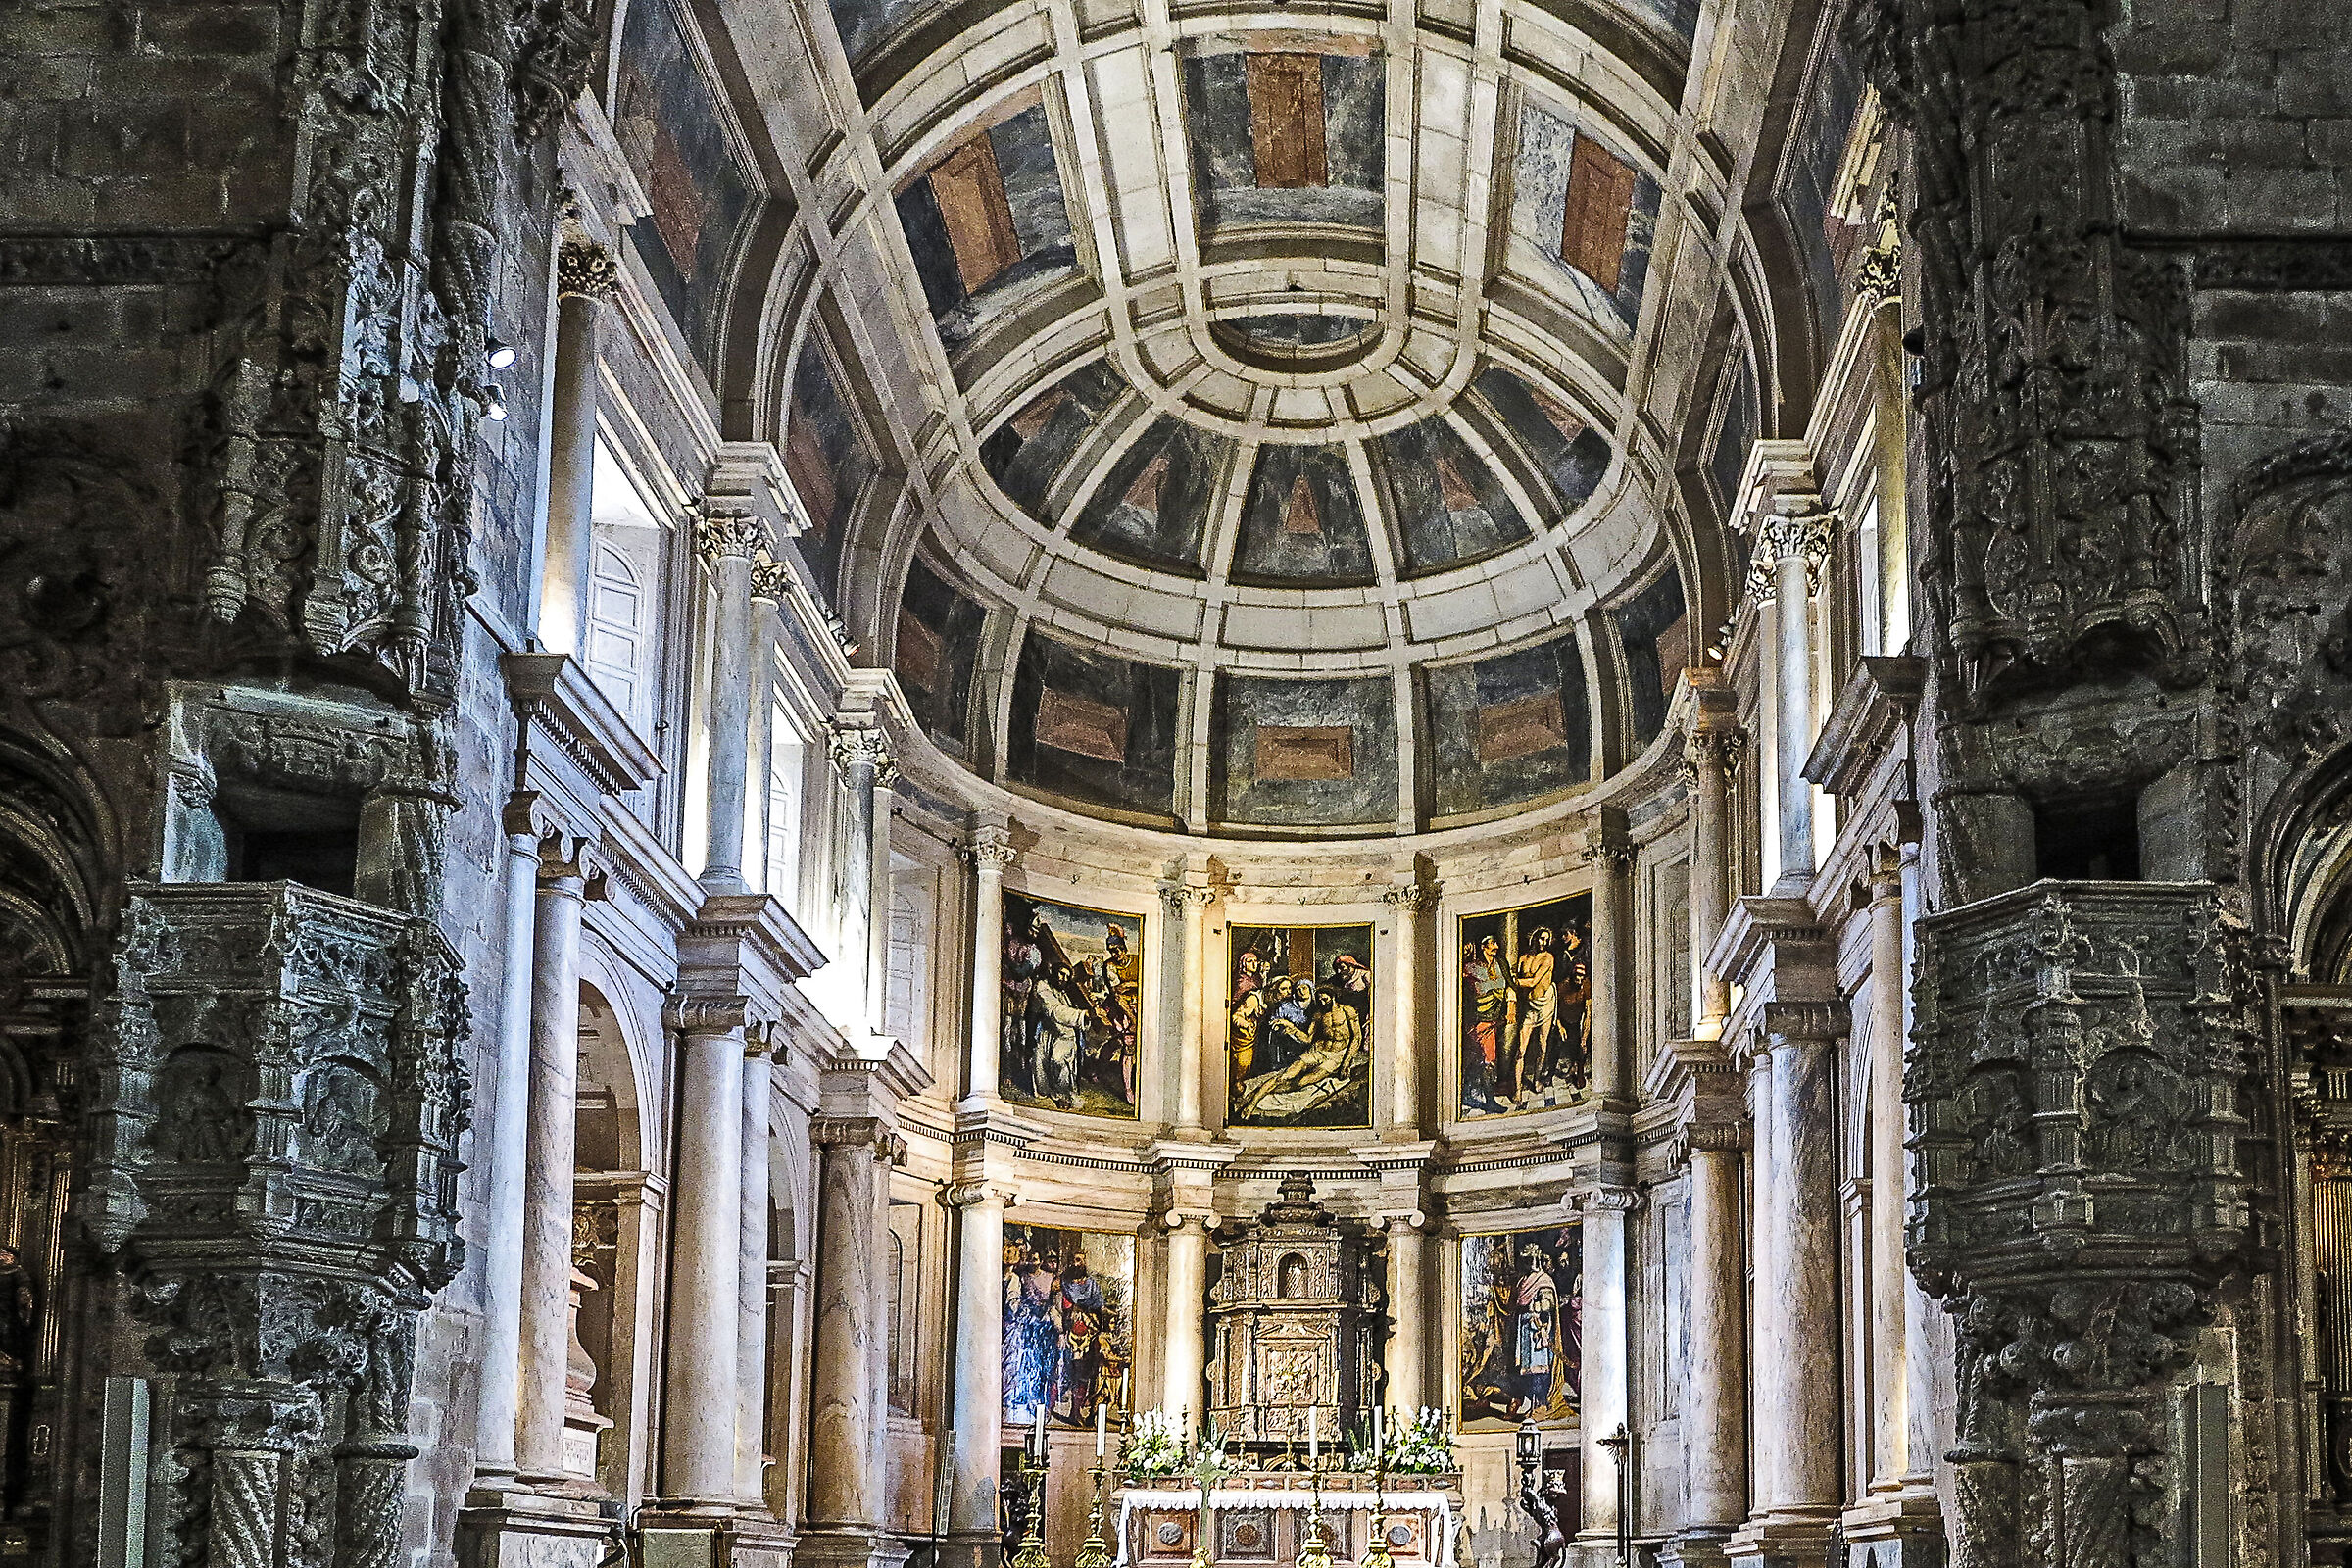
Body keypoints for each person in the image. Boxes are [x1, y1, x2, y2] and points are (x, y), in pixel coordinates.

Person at [1236, 982, 1366, 1122]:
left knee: (1302, 1082)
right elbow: (1308, 1038)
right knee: (1284, 1076)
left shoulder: (1348, 1011)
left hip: (1335, 1056)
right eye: (1320, 1000)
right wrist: (1291, 1028)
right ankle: (1252, 1103)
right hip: (1317, 1050)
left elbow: (1357, 1037)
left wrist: (1346, 1062)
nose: (1322, 1003)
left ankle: (1263, 1093)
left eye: (1325, 999)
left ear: (1332, 996)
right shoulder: (1319, 1015)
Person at [1510, 927, 1560, 1102]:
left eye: (1546, 939)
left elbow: (1532, 982)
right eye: (1540, 938)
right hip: (1529, 1006)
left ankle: (1537, 1079)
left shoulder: (1548, 958)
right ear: (1534, 938)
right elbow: (1518, 979)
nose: (1543, 942)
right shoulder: (1523, 959)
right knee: (1520, 1050)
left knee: (1542, 1045)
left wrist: (1512, 981)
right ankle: (1517, 1089)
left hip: (1545, 1004)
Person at [1463, 935, 1510, 1111]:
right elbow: (1479, 989)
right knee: (1487, 1061)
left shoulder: (1499, 964)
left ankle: (1469, 1093)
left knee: (1480, 1059)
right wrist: (1495, 984)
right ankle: (1489, 1101)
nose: (1495, 946)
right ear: (1483, 947)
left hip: (1494, 1018)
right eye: (1492, 944)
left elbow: (1505, 984)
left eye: (1496, 943)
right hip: (1479, 1020)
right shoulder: (1473, 967)